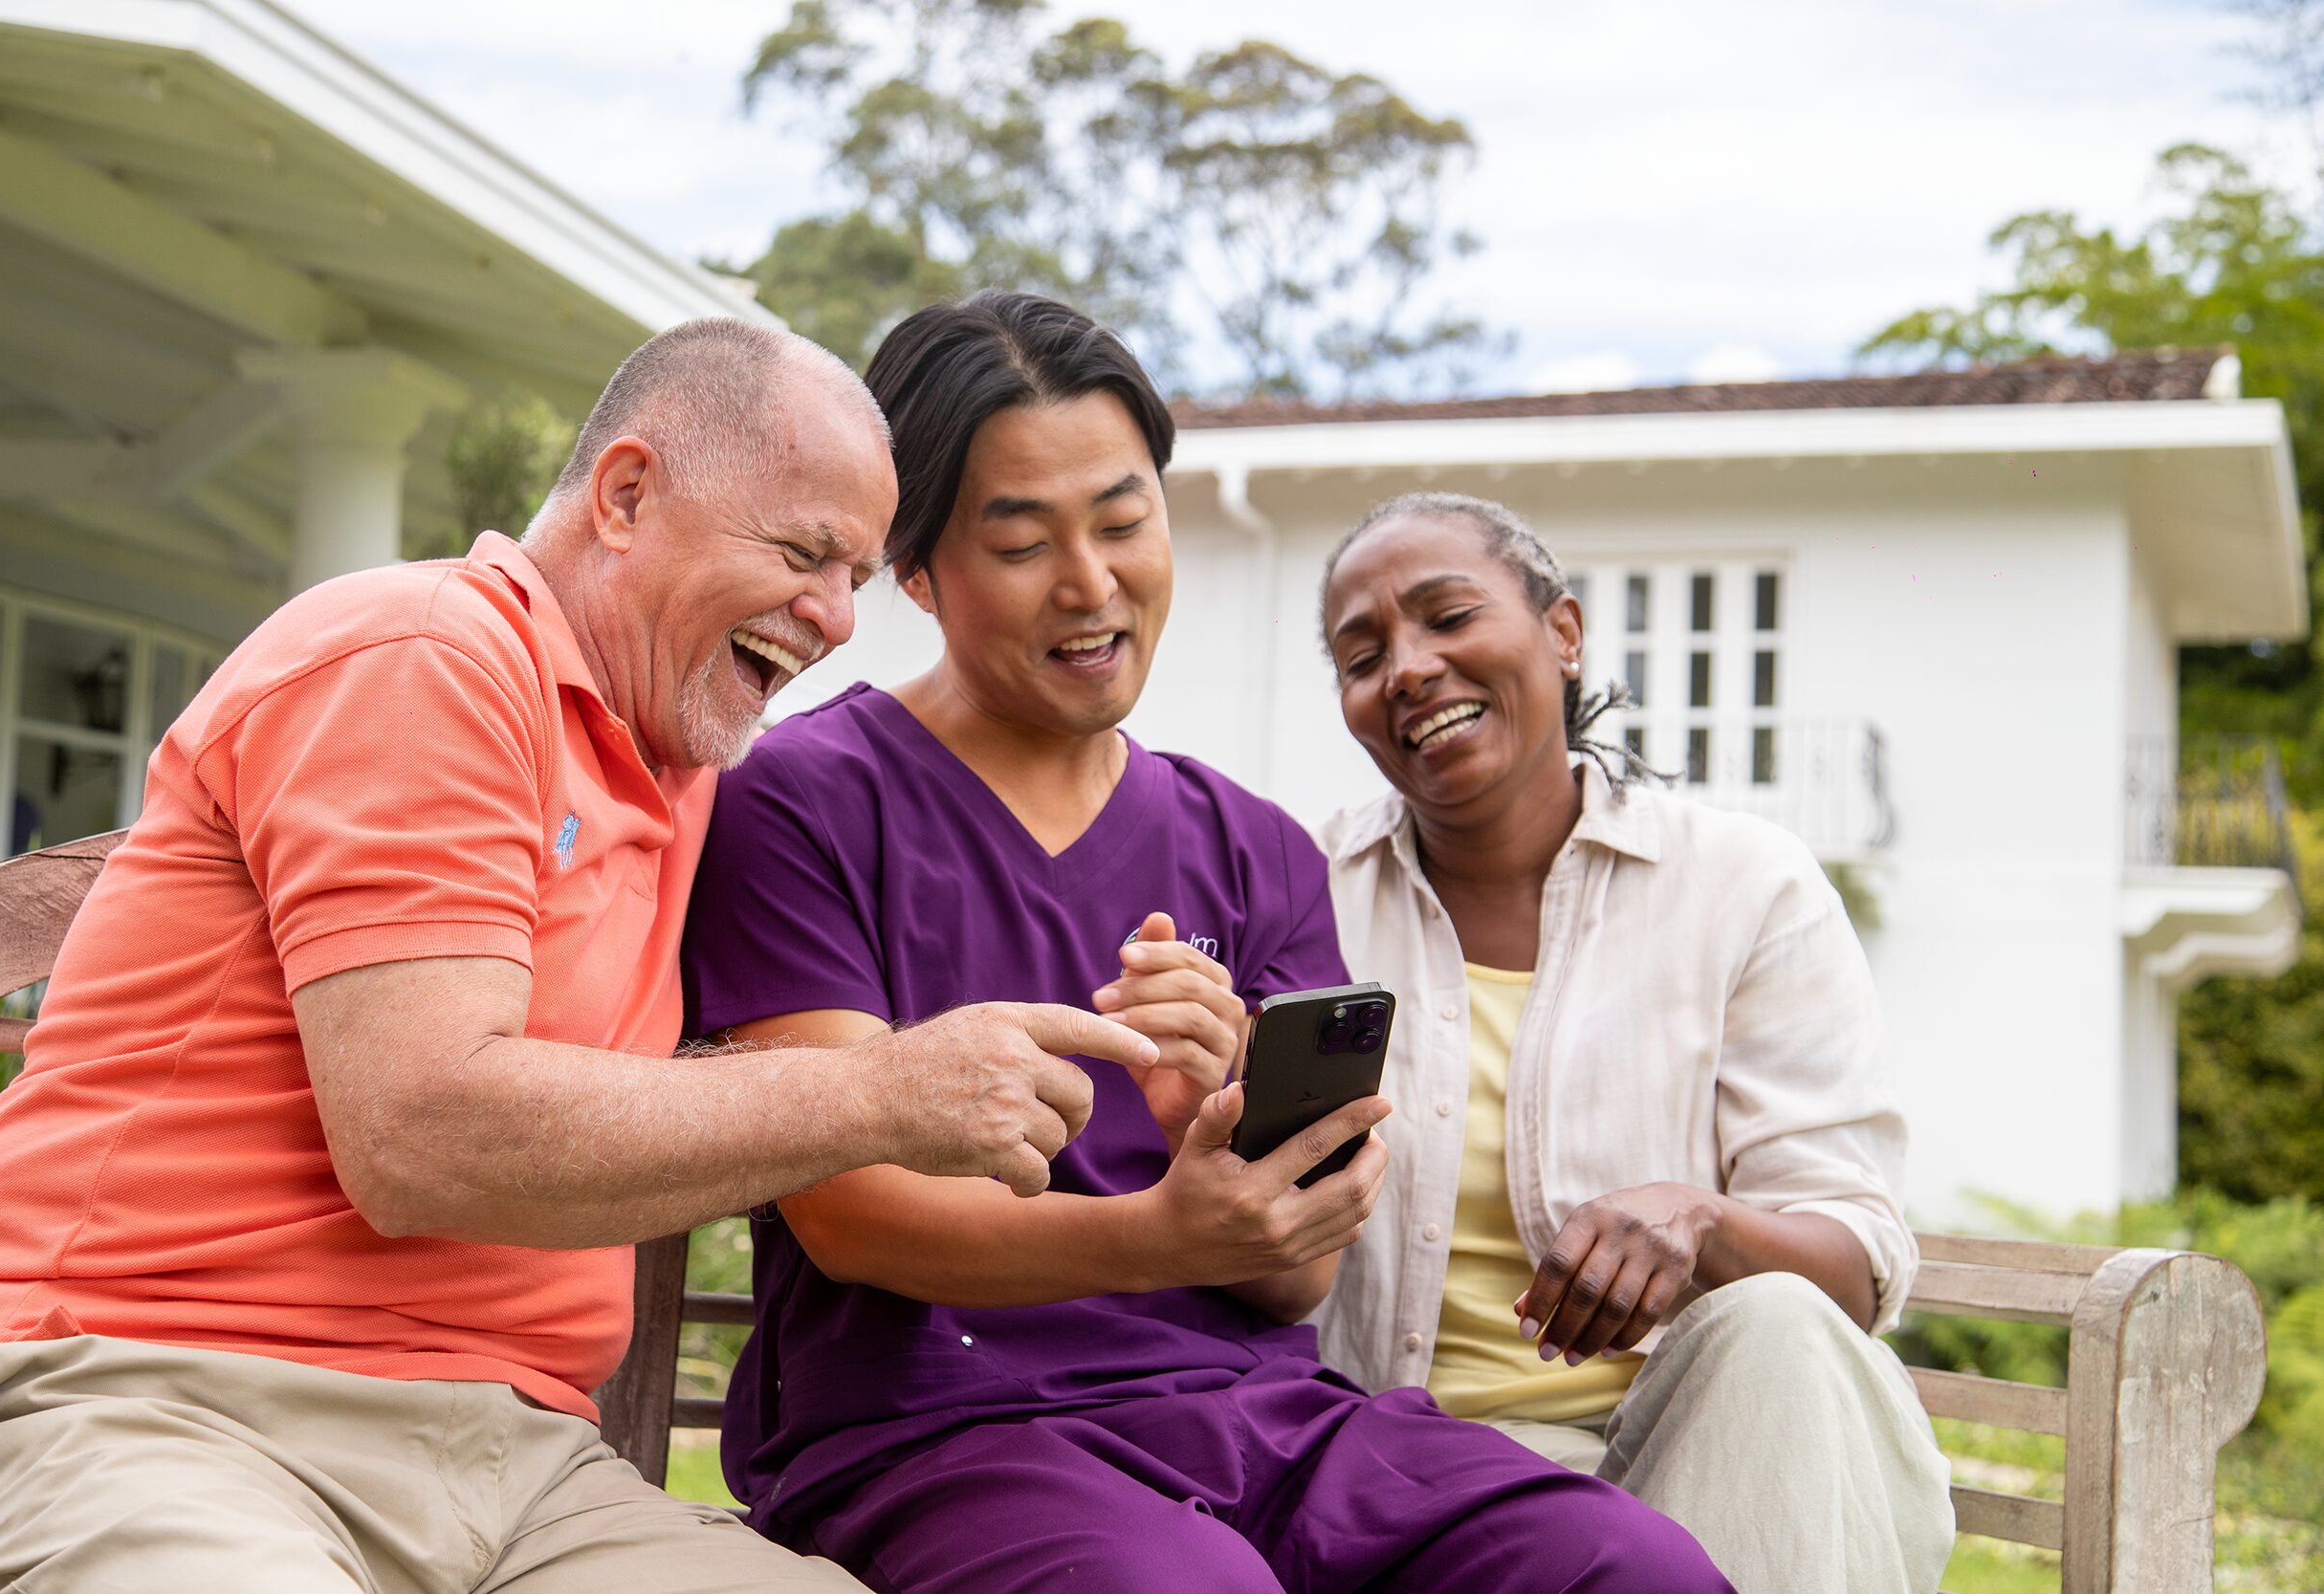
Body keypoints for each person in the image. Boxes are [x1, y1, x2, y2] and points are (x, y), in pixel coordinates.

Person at [0, 318, 1158, 1594]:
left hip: (515, 1464)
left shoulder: (685, 756)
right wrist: (884, 1092)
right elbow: (421, 1129)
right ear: (628, 493)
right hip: (151, 1395)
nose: (841, 618)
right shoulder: (425, 654)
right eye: (805, 552)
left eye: (856, 571)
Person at [680, 293, 1731, 1594]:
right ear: (917, 570)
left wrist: (1218, 1140)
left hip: (1256, 1419)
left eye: (1124, 522)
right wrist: (1160, 1230)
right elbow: (854, 1216)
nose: (1092, 581)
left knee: (1623, 1561)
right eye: (1022, 541)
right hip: (932, 1430)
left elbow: (1298, 1280)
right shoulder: (802, 799)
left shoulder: (1256, 847)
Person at [1311, 490, 1957, 1594]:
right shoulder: (1303, 894)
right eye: (1361, 654)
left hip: (1732, 1460)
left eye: (1446, 615)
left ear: (1561, 635)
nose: (1407, 668)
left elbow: (1850, 1262)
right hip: (1415, 1485)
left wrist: (1699, 1219)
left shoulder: (1746, 886)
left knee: (1779, 1323)